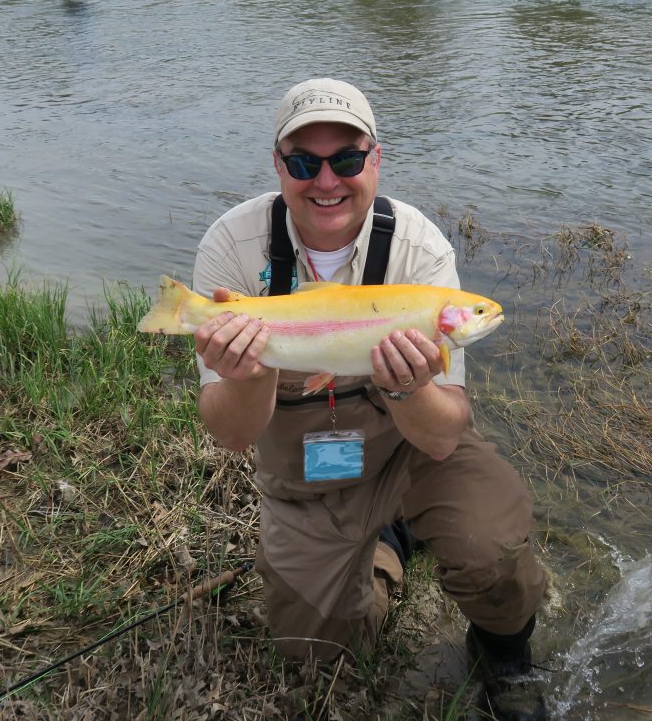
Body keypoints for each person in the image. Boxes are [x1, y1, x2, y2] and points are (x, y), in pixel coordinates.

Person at [189, 79, 548, 721]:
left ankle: (504, 651)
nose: (326, 180)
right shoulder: (232, 248)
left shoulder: (420, 249)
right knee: (310, 651)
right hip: (309, 476)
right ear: (278, 166)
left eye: (347, 160)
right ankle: (390, 547)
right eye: (304, 162)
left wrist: (409, 383)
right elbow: (232, 434)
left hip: (416, 452)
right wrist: (247, 371)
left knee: (493, 549)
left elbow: (443, 435)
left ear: (375, 159)